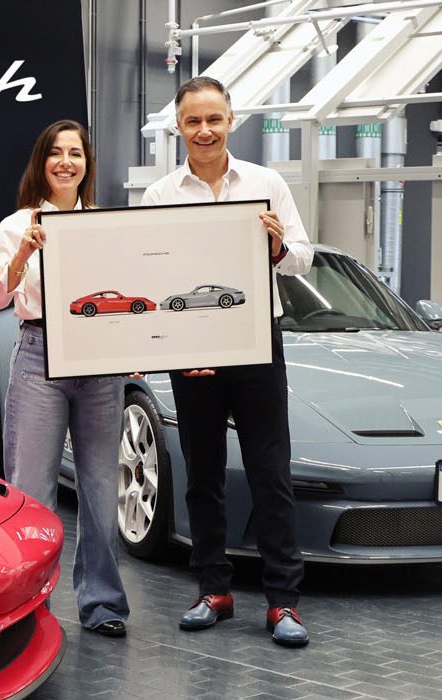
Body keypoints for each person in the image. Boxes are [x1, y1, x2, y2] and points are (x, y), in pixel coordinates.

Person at [140, 76, 311, 647]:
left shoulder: (266, 183)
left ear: (231, 120)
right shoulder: (161, 195)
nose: (205, 130)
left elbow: (303, 258)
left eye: (214, 119)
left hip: (256, 341)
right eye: (193, 121)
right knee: (203, 474)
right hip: (191, 347)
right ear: (179, 127)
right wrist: (175, 346)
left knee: (271, 472)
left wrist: (278, 247)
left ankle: (283, 602)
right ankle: (213, 590)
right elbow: (153, 278)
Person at [0, 119, 130, 638]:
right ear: (41, 162)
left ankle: (102, 603)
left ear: (87, 164)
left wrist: (131, 345)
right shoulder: (16, 224)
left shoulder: (101, 224)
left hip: (98, 358)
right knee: (32, 489)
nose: (66, 162)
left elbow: (120, 293)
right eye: (56, 153)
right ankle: (26, 607)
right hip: (39, 353)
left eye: (76, 153)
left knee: (100, 487)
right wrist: (24, 252)